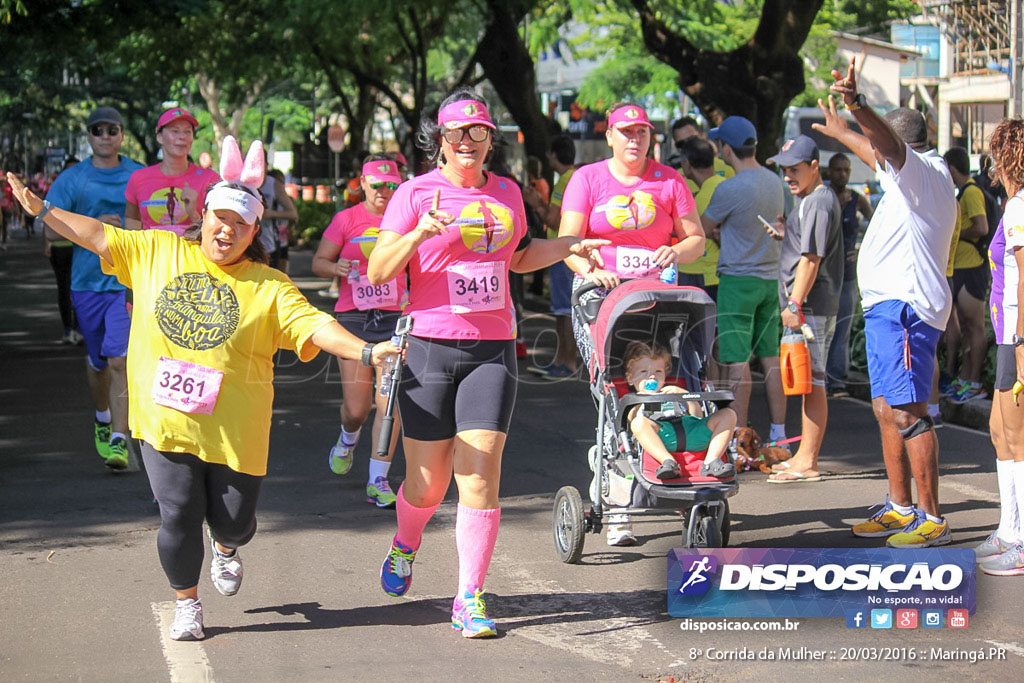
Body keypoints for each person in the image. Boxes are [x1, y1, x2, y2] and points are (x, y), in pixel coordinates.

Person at [5, 135, 398, 642]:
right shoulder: (157, 249)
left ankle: (229, 547)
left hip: (236, 430)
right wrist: (45, 211)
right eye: (220, 218)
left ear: (255, 230)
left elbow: (313, 325)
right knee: (177, 513)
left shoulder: (269, 285)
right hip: (163, 420)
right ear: (204, 214)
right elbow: (98, 236)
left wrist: (367, 351)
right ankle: (186, 602)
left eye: (241, 224)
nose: (227, 231)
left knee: (234, 522)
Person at [367, 87, 608, 638]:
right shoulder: (413, 193)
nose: (469, 142)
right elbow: (380, 270)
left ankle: (468, 597)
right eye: (458, 134)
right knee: (427, 486)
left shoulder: (507, 193)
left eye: (479, 132)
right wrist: (416, 235)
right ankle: (406, 543)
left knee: (478, 475)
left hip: (492, 349)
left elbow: (520, 257)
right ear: (441, 141)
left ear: (490, 140)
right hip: (428, 345)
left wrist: (571, 245)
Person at [814, 57, 957, 548]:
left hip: (906, 308)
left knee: (907, 411)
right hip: (886, 309)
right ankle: (899, 508)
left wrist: (857, 106)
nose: (873, 157)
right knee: (883, 407)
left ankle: (932, 518)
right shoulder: (907, 176)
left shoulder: (923, 174)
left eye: (877, 146)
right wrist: (842, 132)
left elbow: (888, 148)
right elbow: (880, 152)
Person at [558, 102, 704, 545]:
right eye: (625, 132)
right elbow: (567, 242)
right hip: (601, 297)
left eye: (641, 131)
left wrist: (676, 252)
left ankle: (673, 464)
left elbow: (695, 238)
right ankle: (616, 492)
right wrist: (586, 268)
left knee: (660, 382)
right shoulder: (587, 179)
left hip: (656, 299)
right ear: (609, 136)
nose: (634, 139)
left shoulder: (670, 180)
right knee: (611, 388)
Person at [44, 106, 143, 470]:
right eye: (97, 130)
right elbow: (51, 230)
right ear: (88, 136)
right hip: (87, 284)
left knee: (119, 359)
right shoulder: (74, 179)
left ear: (121, 134)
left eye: (112, 129)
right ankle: (102, 417)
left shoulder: (137, 174)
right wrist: (93, 225)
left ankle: (120, 439)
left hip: (127, 283)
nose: (105, 136)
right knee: (99, 362)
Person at [312, 156, 406, 507]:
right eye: (377, 184)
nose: (384, 192)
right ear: (362, 183)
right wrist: (336, 266)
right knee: (357, 409)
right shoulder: (346, 219)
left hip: (395, 317)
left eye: (391, 185)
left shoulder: (406, 219)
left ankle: (378, 478)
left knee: (388, 402)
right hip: (354, 319)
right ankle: (347, 439)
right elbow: (318, 263)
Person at [762, 136, 844, 484]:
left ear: (814, 167)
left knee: (812, 383)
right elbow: (807, 249)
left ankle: (807, 461)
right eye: (784, 170)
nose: (788, 177)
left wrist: (794, 303)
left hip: (810, 304)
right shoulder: (813, 200)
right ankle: (803, 457)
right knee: (809, 382)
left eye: (794, 169)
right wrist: (788, 234)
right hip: (809, 302)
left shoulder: (819, 201)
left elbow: (812, 258)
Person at [702, 116, 788, 441]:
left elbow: (703, 227)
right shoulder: (775, 182)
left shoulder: (729, 188)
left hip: (737, 281)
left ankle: (739, 434)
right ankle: (779, 433)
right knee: (770, 359)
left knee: (738, 362)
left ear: (727, 148)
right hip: (770, 279)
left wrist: (722, 236)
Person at [977, 116, 1024, 576]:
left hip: (1017, 335)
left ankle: (1022, 540)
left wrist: (1023, 342)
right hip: (1007, 334)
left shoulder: (1019, 208)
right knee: (998, 430)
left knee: (1018, 437)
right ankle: (1009, 530)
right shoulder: (1013, 204)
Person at [623, 340, 737, 480]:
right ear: (630, 378)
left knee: (728, 414)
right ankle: (669, 462)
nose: (652, 376)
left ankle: (711, 462)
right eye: (643, 372)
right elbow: (629, 424)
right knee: (638, 423)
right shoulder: (634, 400)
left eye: (658, 371)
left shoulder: (673, 392)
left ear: (665, 374)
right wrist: (637, 402)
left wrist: (685, 396)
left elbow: (698, 416)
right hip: (661, 436)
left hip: (691, 431)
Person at [522, 134, 579, 379]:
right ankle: (561, 359)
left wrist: (535, 203)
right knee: (563, 308)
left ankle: (566, 362)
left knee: (564, 309)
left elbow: (553, 219)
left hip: (561, 250)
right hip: (569, 249)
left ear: (553, 156)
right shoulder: (576, 176)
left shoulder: (565, 180)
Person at [940, 147, 990, 403]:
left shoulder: (971, 192)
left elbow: (982, 227)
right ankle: (963, 378)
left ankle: (974, 382)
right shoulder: (963, 193)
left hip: (972, 268)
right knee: (964, 327)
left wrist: (955, 233)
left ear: (950, 167)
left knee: (975, 327)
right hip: (960, 267)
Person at [125, 107, 220, 235]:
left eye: (187, 132)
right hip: (151, 254)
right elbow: (132, 219)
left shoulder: (210, 180)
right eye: (175, 131)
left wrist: (193, 213)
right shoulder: (138, 178)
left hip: (192, 254)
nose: (182, 137)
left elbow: (217, 231)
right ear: (159, 137)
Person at [823, 153, 872, 397]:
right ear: (828, 171)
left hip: (848, 273)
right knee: (822, 327)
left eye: (846, 170)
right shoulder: (823, 197)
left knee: (842, 326)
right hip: (824, 272)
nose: (842, 174)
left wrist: (861, 252)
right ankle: (818, 378)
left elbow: (876, 225)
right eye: (838, 170)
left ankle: (837, 380)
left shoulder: (857, 199)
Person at [675, 137, 725, 299]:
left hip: (700, 273)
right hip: (711, 272)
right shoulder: (723, 185)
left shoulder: (705, 194)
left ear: (687, 164)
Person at [45, 155, 82, 344]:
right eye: (69, 169)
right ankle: (68, 329)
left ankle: (80, 327)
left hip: (81, 248)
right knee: (64, 289)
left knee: (79, 289)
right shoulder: (58, 190)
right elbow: (47, 218)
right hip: (60, 248)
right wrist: (47, 244)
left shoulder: (86, 189)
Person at [670, 116, 734, 191]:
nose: (688, 145)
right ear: (677, 148)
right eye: (681, 144)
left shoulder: (728, 169)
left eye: (692, 139)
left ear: (703, 137)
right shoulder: (675, 179)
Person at [258, 162, 298, 270]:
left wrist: (269, 213)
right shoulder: (242, 183)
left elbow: (293, 214)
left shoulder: (274, 185)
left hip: (272, 242)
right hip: (247, 244)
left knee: (276, 275)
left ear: (265, 165)